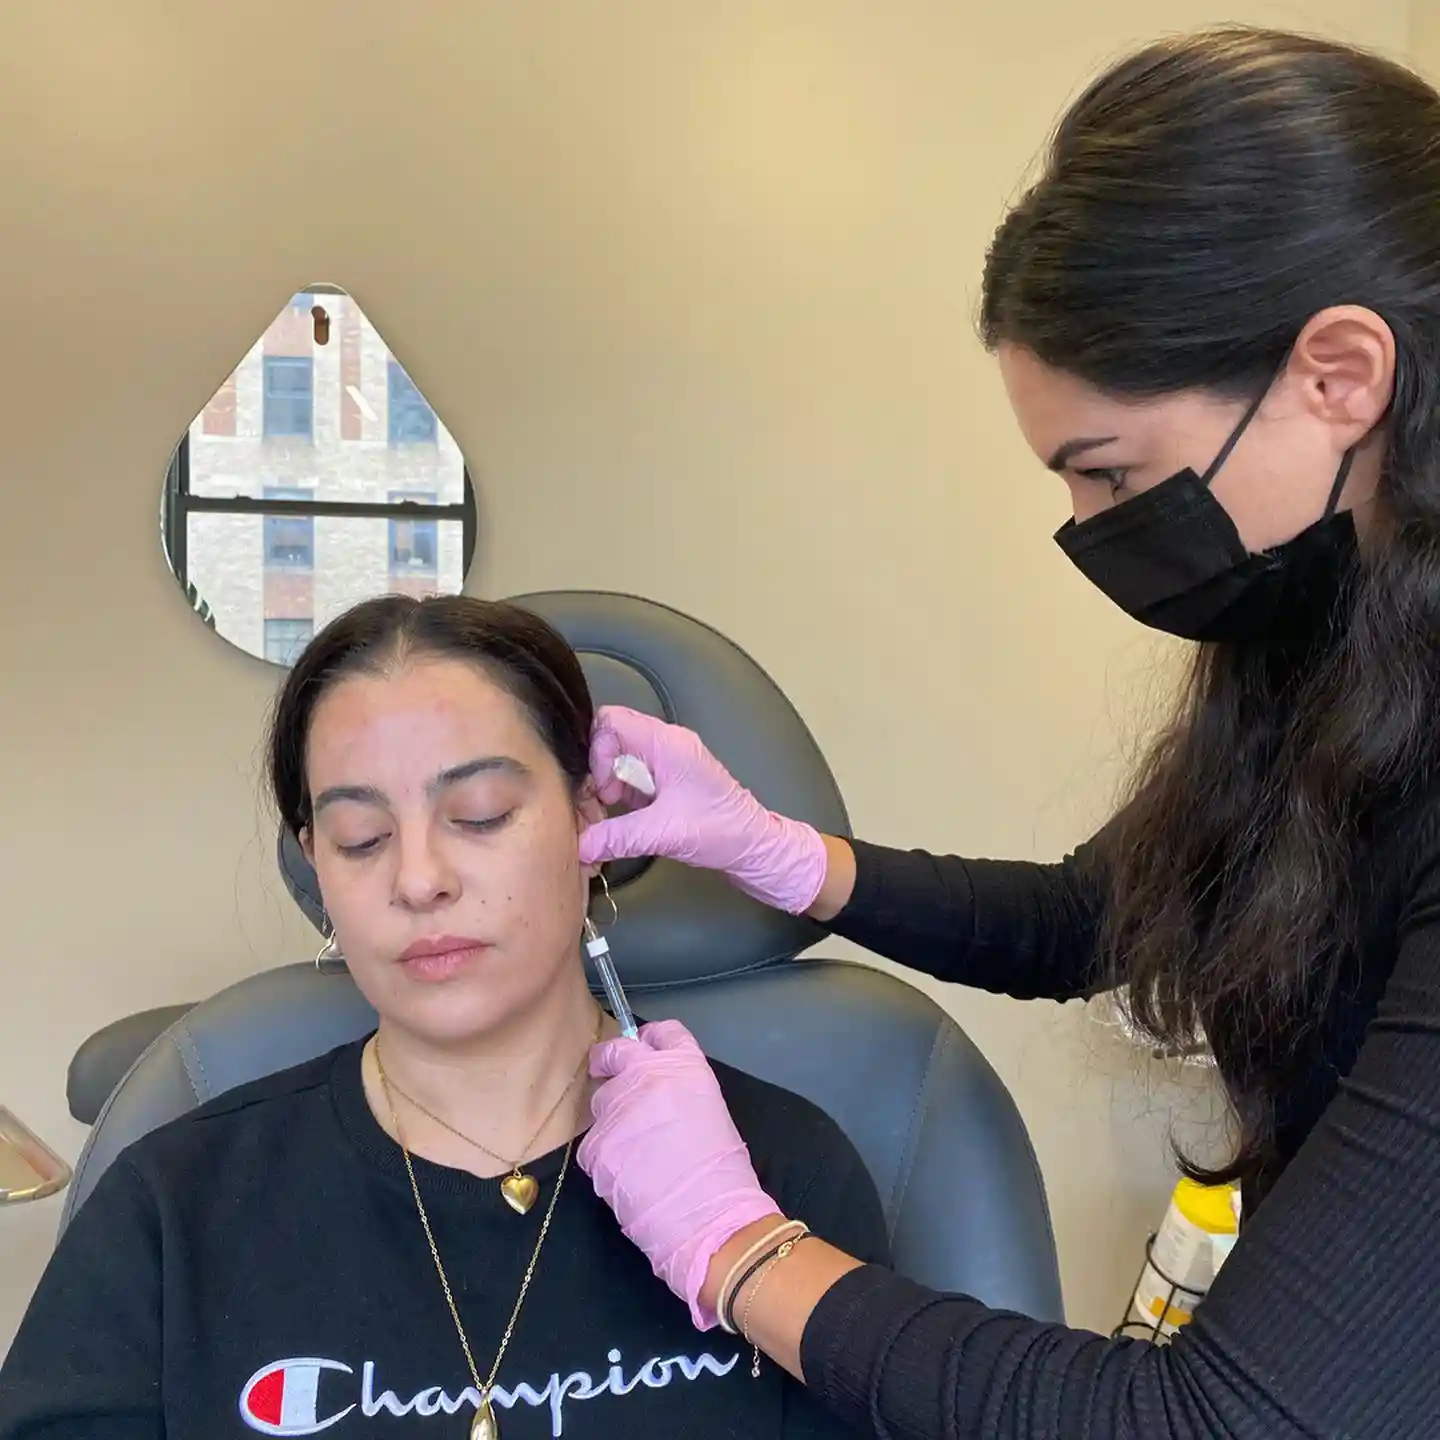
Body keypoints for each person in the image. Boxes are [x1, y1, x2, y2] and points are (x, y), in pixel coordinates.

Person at [568, 25, 1440, 1440]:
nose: (1090, 535)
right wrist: (785, 855)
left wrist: (734, 1246)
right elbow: (1113, 917)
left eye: (1111, 474)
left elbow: (1223, 1427)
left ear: (1340, 375)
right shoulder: (1331, 642)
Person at [0, 595, 887, 1440]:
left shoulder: (782, 1176)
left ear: (591, 814)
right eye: (361, 839)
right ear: (318, 865)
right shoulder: (173, 1207)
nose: (419, 879)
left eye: (480, 815)